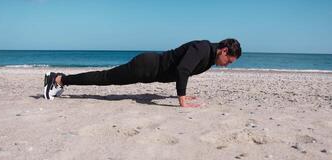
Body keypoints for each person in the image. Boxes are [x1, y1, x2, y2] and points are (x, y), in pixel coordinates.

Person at [43, 38, 241, 107]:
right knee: (105, 78)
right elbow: (183, 70)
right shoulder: (202, 48)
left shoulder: (209, 57)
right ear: (224, 50)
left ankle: (61, 79)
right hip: (145, 66)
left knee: (106, 78)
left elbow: (183, 70)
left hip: (149, 69)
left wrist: (184, 94)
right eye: (228, 61)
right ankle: (59, 79)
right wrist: (182, 99)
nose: (227, 65)